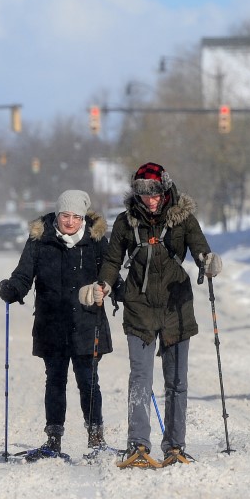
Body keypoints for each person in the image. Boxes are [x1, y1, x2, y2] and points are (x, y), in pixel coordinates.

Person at [80, 163, 221, 466]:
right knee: (140, 379)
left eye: (155, 193)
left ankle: (175, 446)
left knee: (177, 381)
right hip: (139, 307)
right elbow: (112, 260)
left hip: (176, 307)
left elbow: (200, 250)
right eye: (143, 194)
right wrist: (103, 285)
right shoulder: (125, 222)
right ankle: (138, 445)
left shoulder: (184, 219)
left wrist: (207, 261)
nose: (150, 200)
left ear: (166, 190)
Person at [0, 190, 112, 461]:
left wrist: (116, 291)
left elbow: (111, 273)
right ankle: (53, 440)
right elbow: (24, 274)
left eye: (75, 216)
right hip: (52, 323)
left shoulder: (96, 240)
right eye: (65, 215)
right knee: (55, 382)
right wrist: (13, 289)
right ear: (57, 214)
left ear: (83, 217)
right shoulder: (41, 239)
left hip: (87, 322)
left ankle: (96, 439)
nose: (70, 222)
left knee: (89, 382)